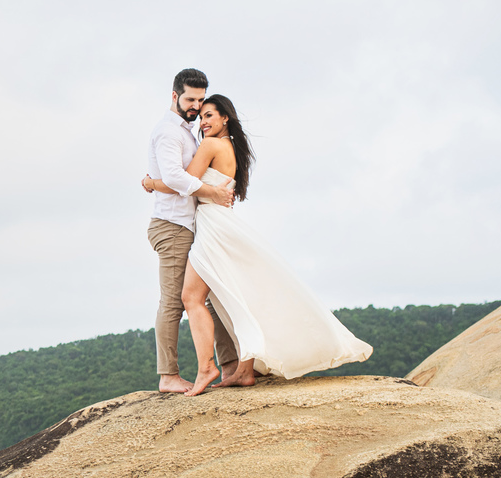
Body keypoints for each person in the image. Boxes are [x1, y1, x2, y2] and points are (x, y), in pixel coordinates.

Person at [143, 94, 372, 396]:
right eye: (202, 117)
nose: (204, 121)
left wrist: (151, 182)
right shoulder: (230, 147)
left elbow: (183, 183)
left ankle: (205, 369)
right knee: (231, 295)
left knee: (191, 297)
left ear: (226, 118)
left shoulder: (212, 145)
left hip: (213, 227)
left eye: (210, 115)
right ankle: (244, 370)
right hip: (220, 223)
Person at [145, 68, 240, 394]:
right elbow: (174, 177)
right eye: (190, 99)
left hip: (195, 226)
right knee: (175, 301)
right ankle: (168, 375)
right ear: (174, 96)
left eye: (200, 100)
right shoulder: (170, 132)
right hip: (173, 226)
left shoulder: (192, 133)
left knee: (209, 296)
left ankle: (229, 365)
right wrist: (211, 192)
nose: (196, 106)